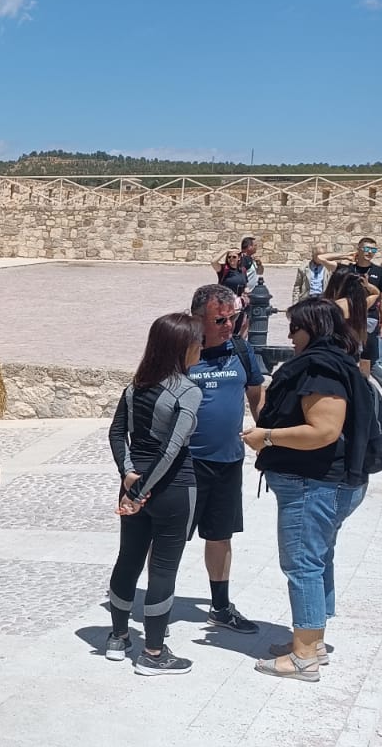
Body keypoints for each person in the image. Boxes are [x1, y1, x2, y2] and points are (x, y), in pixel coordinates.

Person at [242, 300, 368, 680]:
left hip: (312, 485)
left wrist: (267, 436)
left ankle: (303, 658)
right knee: (318, 559)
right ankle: (312, 642)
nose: (289, 335)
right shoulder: (338, 360)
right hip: (328, 483)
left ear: (311, 329)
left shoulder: (320, 370)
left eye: (295, 328)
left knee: (303, 565)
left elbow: (324, 431)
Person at [106, 312, 203, 675]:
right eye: (197, 341)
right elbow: (174, 448)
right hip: (173, 489)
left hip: (133, 486)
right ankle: (154, 653)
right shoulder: (188, 390)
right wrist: (143, 490)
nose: (201, 347)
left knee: (128, 558)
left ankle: (117, 637)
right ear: (182, 347)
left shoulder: (135, 386)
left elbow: (117, 434)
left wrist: (129, 476)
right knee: (163, 568)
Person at [187, 285, 265, 634]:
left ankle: (220, 607)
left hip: (227, 462)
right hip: (183, 465)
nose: (228, 326)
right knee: (166, 538)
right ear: (197, 320)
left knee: (220, 537)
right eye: (220, 320)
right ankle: (156, 605)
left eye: (233, 318)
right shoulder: (182, 353)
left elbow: (256, 398)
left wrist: (266, 437)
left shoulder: (242, 352)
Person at [333, 236, 382, 403]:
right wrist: (344, 256)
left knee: (364, 357)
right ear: (359, 249)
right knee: (356, 355)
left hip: (369, 320)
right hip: (349, 318)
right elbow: (320, 259)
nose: (370, 253)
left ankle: (364, 393)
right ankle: (381, 389)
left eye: (373, 250)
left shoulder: (380, 272)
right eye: (367, 249)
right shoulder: (349, 270)